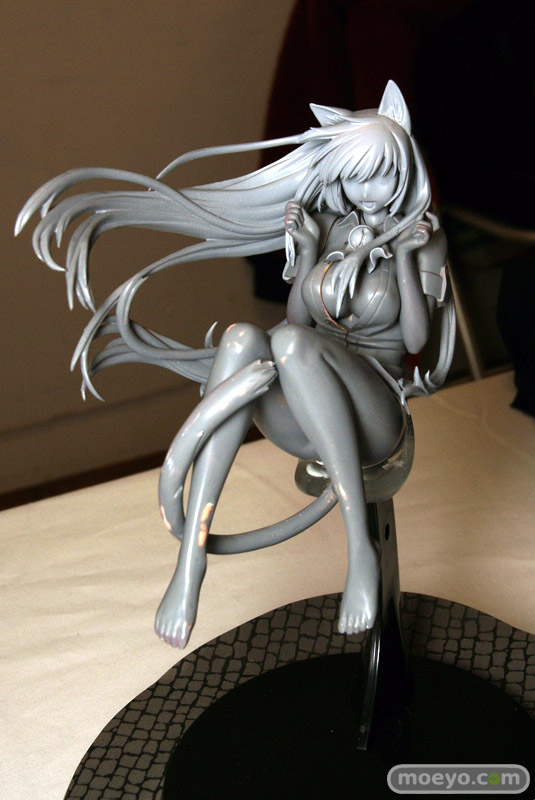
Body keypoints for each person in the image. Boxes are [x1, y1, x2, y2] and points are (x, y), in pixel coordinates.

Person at [17, 81, 454, 648]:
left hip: (374, 415)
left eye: (384, 175)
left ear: (406, 169)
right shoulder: (335, 227)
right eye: (355, 177)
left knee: (290, 344)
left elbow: (416, 338)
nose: (369, 191)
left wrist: (403, 260)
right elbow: (302, 317)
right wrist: (308, 252)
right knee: (244, 338)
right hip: (309, 409)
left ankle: (360, 551)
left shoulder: (423, 239)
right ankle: (192, 555)